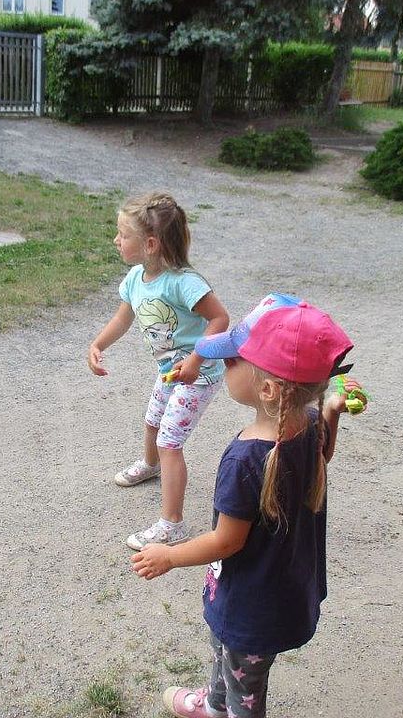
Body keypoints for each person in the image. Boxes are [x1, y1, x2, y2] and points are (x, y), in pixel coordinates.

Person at [130, 293, 366, 718]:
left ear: (269, 389)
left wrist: (169, 555)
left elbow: (226, 542)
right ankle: (215, 702)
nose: (226, 364)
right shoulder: (308, 423)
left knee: (247, 690)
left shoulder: (244, 459)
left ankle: (228, 708)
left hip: (251, 605)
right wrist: (330, 412)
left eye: (235, 360)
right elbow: (323, 454)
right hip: (275, 591)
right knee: (226, 655)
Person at [87, 192, 229, 551]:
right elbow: (123, 317)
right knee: (152, 421)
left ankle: (172, 524)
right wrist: (99, 344)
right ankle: (150, 466)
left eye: (123, 235)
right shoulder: (135, 278)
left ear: (149, 244)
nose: (116, 241)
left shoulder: (184, 282)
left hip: (199, 374)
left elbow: (220, 318)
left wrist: (196, 360)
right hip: (170, 370)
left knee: (170, 440)